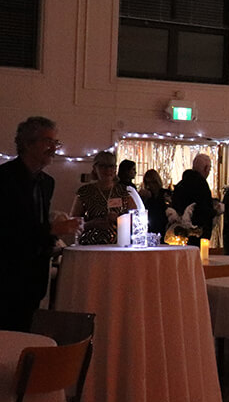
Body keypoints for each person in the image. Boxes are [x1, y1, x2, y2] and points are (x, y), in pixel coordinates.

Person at [0, 117, 82, 332]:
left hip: (35, 273)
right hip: (7, 272)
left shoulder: (47, 182)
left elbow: (35, 221)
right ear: (28, 143)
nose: (54, 148)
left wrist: (53, 234)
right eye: (48, 141)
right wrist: (51, 230)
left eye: (56, 142)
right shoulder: (4, 179)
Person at [70, 151, 138, 245]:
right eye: (103, 166)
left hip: (119, 245)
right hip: (90, 245)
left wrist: (119, 220)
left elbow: (136, 219)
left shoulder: (123, 192)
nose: (108, 170)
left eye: (111, 166)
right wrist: (92, 224)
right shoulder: (85, 192)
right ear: (95, 168)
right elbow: (72, 223)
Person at [171, 153, 217, 243]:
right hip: (198, 231)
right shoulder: (201, 185)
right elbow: (203, 208)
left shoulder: (182, 183)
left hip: (181, 232)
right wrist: (215, 211)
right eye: (209, 169)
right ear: (205, 168)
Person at [139, 169, 170, 236]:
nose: (150, 185)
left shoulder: (165, 193)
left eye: (153, 182)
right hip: (150, 225)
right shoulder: (147, 195)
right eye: (148, 183)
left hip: (163, 224)